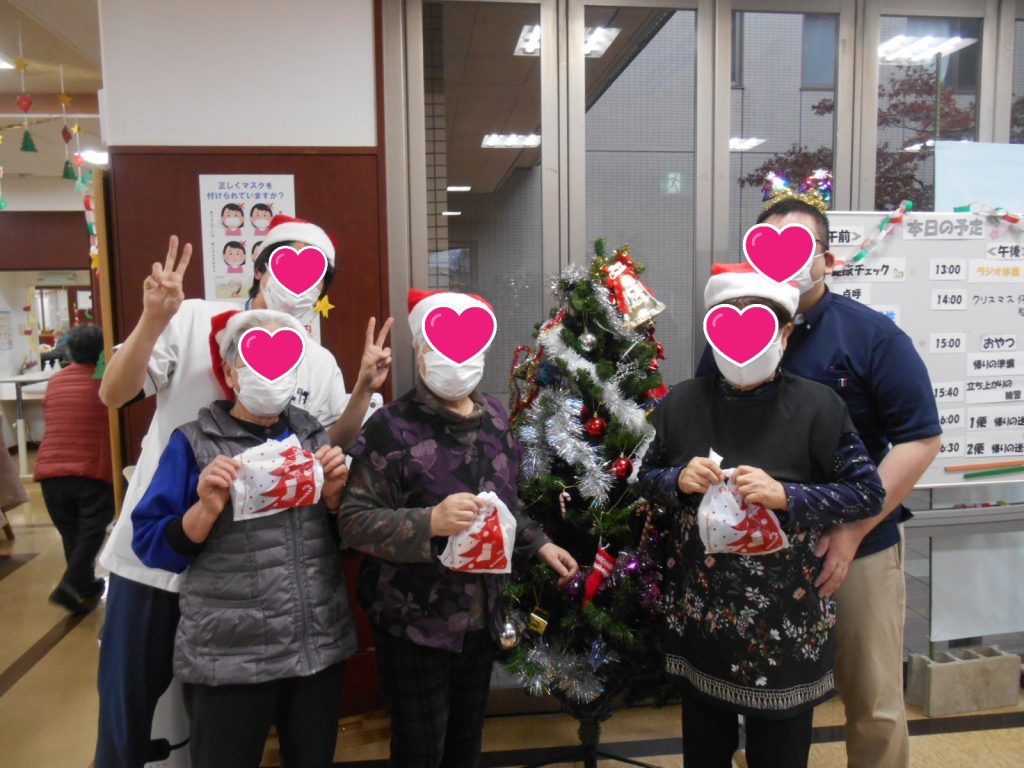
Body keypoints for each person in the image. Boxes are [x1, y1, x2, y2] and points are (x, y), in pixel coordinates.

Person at [95, 214, 393, 768]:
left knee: (213, 725)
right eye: (287, 263)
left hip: (251, 574)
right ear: (259, 268)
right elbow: (114, 395)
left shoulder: (316, 360)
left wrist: (358, 393)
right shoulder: (191, 319)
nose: (300, 281)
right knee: (127, 715)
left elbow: (327, 444)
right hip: (158, 555)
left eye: (315, 272)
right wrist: (153, 320)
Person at [697, 195, 941, 767]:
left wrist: (852, 532)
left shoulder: (872, 337)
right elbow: (706, 423)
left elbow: (920, 438)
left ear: (827, 260)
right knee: (759, 691)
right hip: (756, 549)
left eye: (799, 247)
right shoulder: (731, 332)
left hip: (857, 545)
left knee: (873, 699)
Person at [642, 267, 885, 768]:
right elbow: (644, 480)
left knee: (780, 754)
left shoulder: (819, 406)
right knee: (704, 751)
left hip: (786, 619)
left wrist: (787, 495)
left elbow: (866, 492)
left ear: (786, 333)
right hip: (703, 614)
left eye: (759, 329)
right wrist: (677, 479)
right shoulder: (680, 403)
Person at [337, 289, 579, 768]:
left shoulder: (495, 418)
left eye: (468, 345)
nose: (456, 358)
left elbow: (505, 506)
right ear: (419, 350)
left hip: (480, 617)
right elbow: (353, 521)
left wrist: (540, 544)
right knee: (420, 749)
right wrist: (430, 521)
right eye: (442, 344)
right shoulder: (390, 427)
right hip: (413, 622)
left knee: (466, 742)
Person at [131, 310, 356, 768]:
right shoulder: (194, 443)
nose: (271, 374)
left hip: (316, 649)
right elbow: (151, 544)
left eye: (283, 361)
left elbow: (344, 540)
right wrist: (205, 508)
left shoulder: (313, 436)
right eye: (254, 361)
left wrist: (336, 500)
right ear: (230, 374)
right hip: (229, 659)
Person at [33, 324, 114, 613]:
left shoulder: (56, 380)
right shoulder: (106, 380)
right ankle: (69, 585)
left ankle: (84, 583)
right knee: (92, 530)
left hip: (50, 471)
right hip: (90, 469)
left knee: (72, 532)